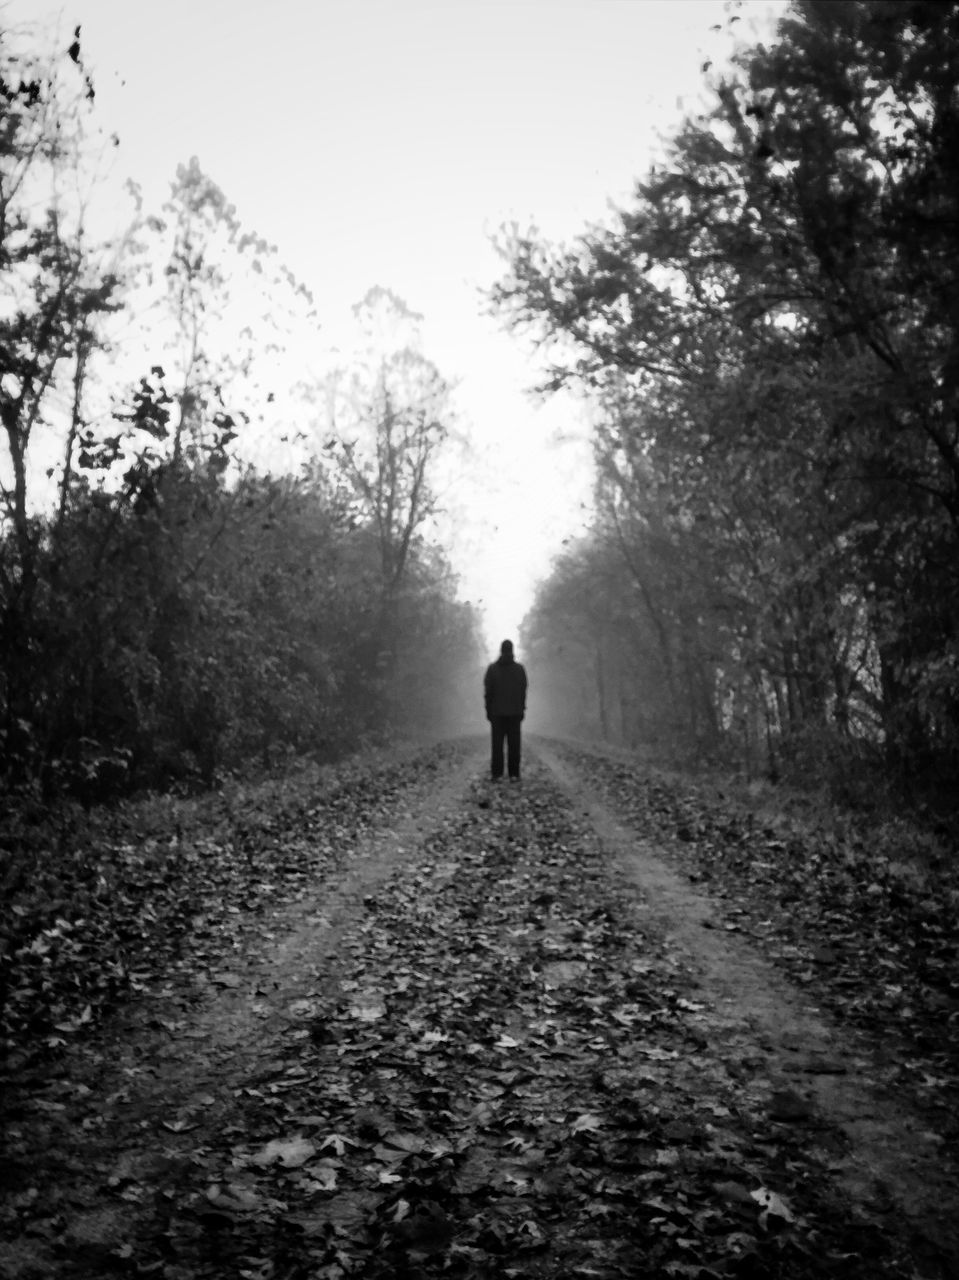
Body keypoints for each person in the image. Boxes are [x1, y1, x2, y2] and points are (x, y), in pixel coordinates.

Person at [483, 639, 528, 781]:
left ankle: (497, 774)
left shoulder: (492, 669)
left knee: (497, 745)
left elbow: (488, 692)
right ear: (512, 650)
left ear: (501, 650)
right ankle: (514, 774)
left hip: (497, 713)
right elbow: (523, 691)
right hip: (515, 712)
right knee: (514, 745)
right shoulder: (519, 669)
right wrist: (521, 709)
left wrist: (488, 711)